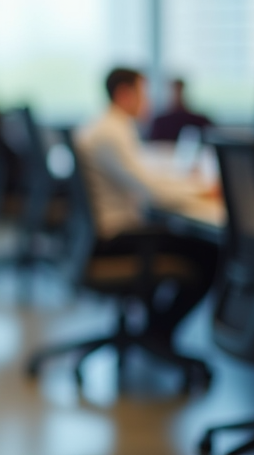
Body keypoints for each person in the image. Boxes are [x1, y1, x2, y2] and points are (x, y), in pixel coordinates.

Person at [77, 67, 218, 344]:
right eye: (144, 94)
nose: (149, 101)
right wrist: (201, 192)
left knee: (188, 242)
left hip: (102, 233)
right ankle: (158, 333)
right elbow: (150, 191)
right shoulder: (111, 133)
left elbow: (142, 178)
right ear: (124, 94)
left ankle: (153, 328)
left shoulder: (105, 126)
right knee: (209, 254)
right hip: (117, 237)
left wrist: (187, 186)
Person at [147, 77, 213, 142]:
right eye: (175, 92)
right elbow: (152, 144)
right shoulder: (160, 122)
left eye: (179, 92)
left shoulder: (197, 120)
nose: (177, 96)